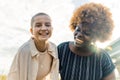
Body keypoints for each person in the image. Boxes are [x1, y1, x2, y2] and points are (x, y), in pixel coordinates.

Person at [58, 3, 116, 80]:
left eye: (87, 33)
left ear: (96, 37)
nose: (79, 35)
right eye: (78, 29)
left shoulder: (103, 58)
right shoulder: (62, 50)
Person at [7, 12, 59, 80]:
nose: (43, 28)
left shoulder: (54, 48)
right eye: (38, 25)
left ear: (52, 29)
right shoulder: (24, 51)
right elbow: (14, 76)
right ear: (31, 31)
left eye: (47, 25)